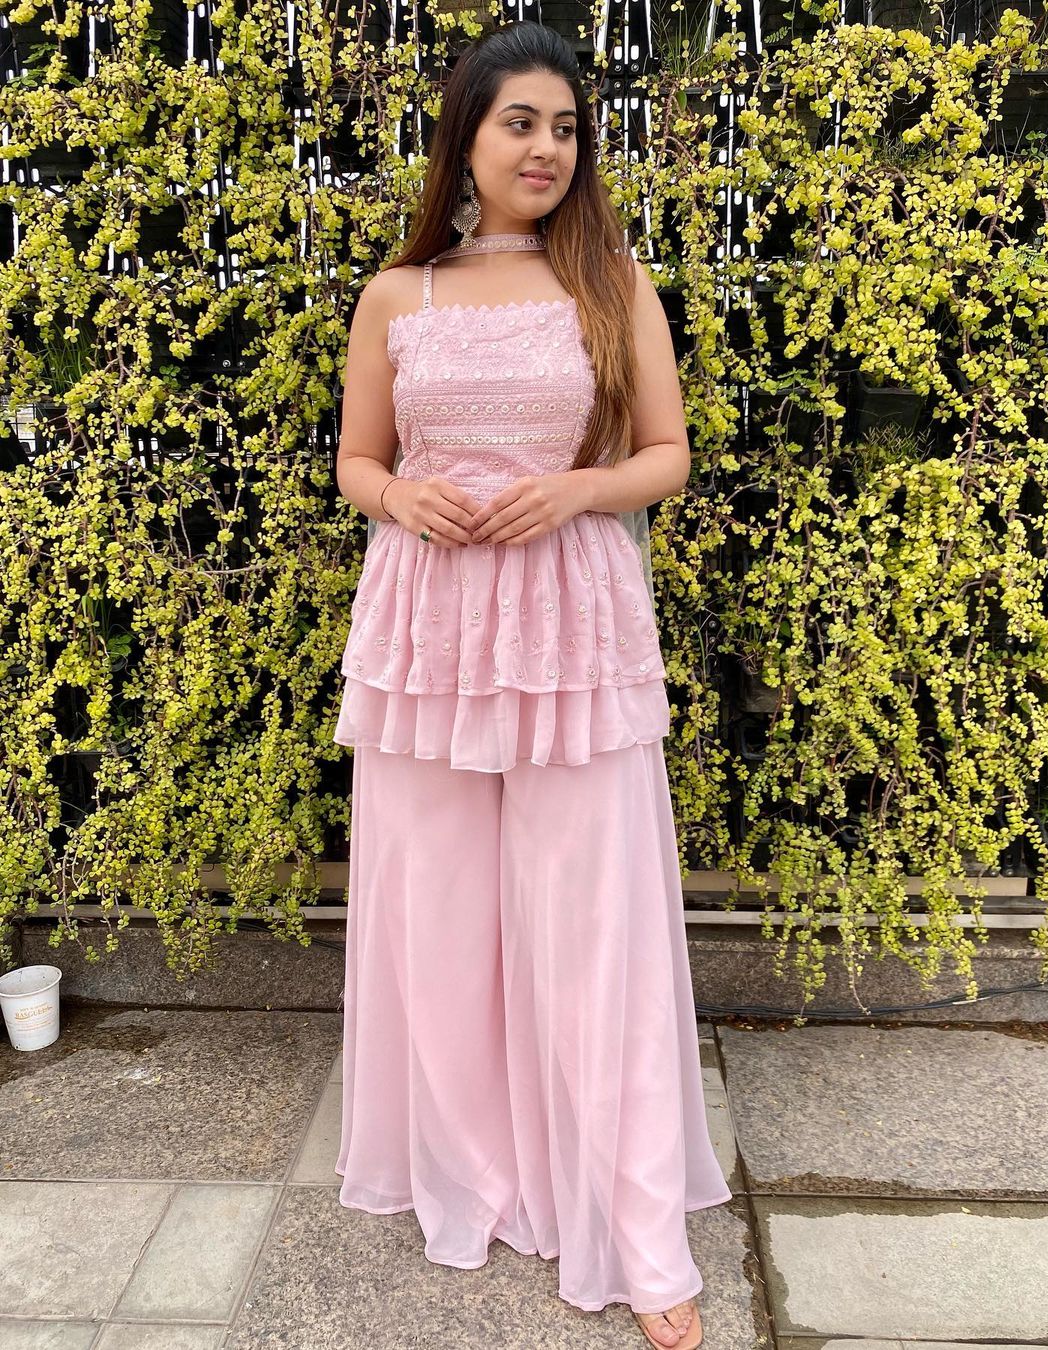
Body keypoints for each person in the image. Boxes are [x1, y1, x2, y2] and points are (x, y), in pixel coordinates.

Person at [331, 18, 732, 1349]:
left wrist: (575, 490)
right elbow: (357, 462)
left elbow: (667, 453)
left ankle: (637, 1228)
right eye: (521, 123)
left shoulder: (612, 283)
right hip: (430, 629)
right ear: (467, 138)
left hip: (573, 624)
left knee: (592, 921)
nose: (547, 147)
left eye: (566, 127)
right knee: (440, 917)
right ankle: (475, 1172)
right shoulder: (400, 295)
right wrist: (401, 495)